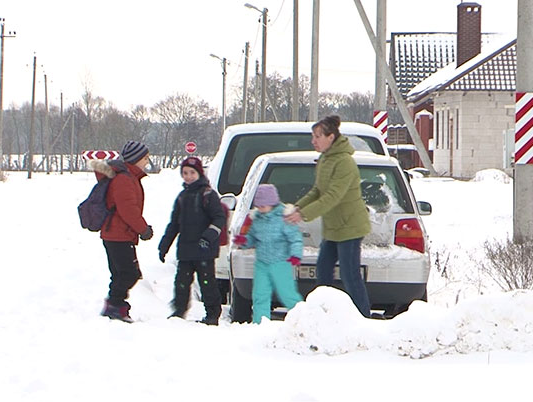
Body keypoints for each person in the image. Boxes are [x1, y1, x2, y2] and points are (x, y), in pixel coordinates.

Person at [285, 115, 372, 318]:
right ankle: (322, 317)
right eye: (313, 136)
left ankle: (364, 320)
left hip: (349, 227)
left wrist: (304, 215)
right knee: (323, 272)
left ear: (331, 137)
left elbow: (333, 196)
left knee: (350, 276)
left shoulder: (344, 162)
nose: (313, 141)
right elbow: (318, 191)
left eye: (317, 136)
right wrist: (298, 208)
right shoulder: (325, 159)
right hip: (333, 228)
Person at [90, 140, 154, 323]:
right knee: (129, 273)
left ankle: (115, 307)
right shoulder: (124, 179)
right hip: (117, 234)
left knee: (121, 273)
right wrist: (143, 229)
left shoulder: (128, 176)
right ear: (135, 159)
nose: (147, 162)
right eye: (145, 158)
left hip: (117, 233)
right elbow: (128, 209)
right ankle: (115, 305)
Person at [158, 156, 226, 325]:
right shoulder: (182, 197)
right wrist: (164, 245)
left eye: (192, 173)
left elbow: (219, 218)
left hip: (204, 249)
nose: (188, 176)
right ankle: (179, 311)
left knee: (207, 283)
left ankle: (212, 314)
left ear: (199, 173)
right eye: (185, 173)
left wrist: (209, 236)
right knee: (181, 281)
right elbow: (174, 224)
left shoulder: (208, 194)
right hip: (186, 249)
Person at [233, 184, 303, 324]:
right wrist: (244, 241)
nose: (261, 209)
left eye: (264, 206)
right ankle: (260, 323)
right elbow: (253, 238)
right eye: (258, 206)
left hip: (281, 262)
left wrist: (295, 255)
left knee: (287, 294)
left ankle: (302, 320)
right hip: (262, 263)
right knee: (260, 294)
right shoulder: (257, 219)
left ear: (272, 203)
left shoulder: (284, 218)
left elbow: (295, 238)